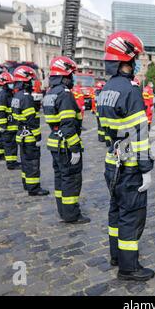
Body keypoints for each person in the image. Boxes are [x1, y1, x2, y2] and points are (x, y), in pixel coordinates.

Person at [98, 30, 155, 281]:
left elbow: (106, 132)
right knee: (131, 215)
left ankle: (115, 255)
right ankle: (129, 268)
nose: (138, 63)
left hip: (113, 161)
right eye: (136, 59)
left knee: (116, 211)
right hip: (130, 164)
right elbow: (140, 132)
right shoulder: (131, 90)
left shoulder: (106, 89)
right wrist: (145, 167)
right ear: (126, 60)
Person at [43, 56, 90, 224]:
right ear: (64, 76)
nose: (72, 79)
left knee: (60, 178)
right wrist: (75, 148)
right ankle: (72, 215)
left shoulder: (50, 93)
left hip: (55, 142)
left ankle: (63, 211)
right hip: (66, 145)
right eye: (71, 75)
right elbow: (68, 124)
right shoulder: (65, 94)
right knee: (71, 179)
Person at [11, 66, 49, 196]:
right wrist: (37, 137)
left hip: (21, 134)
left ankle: (27, 184)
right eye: (30, 81)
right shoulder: (27, 98)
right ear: (25, 81)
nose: (31, 83)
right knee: (32, 162)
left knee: (25, 161)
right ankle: (34, 188)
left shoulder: (17, 96)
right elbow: (32, 120)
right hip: (29, 136)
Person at [0, 72, 21, 170]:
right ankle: (11, 164)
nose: (12, 85)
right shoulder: (3, 95)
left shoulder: (9, 93)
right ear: (4, 84)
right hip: (7, 127)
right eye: (9, 83)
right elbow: (0, 111)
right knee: (9, 146)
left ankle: (13, 162)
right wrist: (3, 125)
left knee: (12, 145)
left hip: (12, 125)